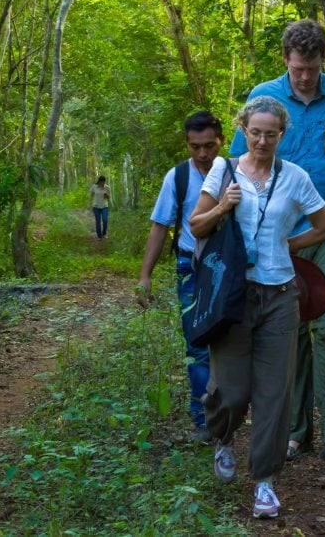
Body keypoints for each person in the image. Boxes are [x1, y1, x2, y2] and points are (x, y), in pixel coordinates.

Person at [230, 19, 325, 462]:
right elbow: (239, 158)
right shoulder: (264, 97)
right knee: (287, 331)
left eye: (311, 68)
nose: (305, 77)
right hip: (278, 234)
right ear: (286, 61)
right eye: (297, 69)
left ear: (322, 61)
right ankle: (293, 431)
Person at [190, 97, 325, 518]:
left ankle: (265, 483)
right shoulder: (224, 169)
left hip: (281, 296)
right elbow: (196, 225)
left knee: (274, 393)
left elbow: (324, 226)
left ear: (281, 135)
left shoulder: (297, 177)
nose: (263, 140)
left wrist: (288, 246)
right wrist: (223, 206)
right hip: (232, 296)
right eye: (255, 132)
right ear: (243, 131)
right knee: (231, 392)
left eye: (271, 133)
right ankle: (222, 435)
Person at [136, 111, 224, 444]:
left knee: (232, 344)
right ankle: (204, 421)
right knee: (197, 345)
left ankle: (232, 414)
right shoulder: (178, 177)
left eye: (210, 146)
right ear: (187, 144)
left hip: (230, 269)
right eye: (195, 147)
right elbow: (161, 226)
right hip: (190, 267)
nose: (203, 154)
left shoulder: (236, 171)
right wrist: (145, 275)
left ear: (221, 141)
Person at [89, 175, 111, 239]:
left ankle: (104, 233)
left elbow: (109, 197)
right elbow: (91, 195)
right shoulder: (94, 187)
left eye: (104, 182)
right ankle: (99, 236)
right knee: (98, 221)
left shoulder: (107, 187)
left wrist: (106, 195)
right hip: (96, 206)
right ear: (99, 182)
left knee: (105, 220)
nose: (102, 184)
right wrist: (90, 203)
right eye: (101, 182)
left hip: (104, 206)